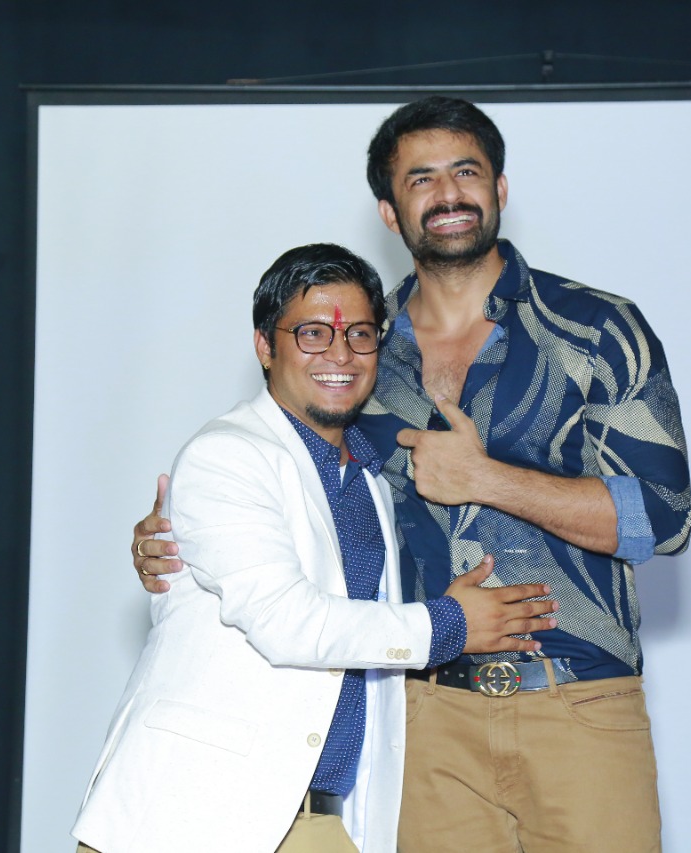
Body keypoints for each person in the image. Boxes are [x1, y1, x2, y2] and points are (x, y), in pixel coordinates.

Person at [134, 98, 691, 852]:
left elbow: (663, 517)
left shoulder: (597, 329)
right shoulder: (359, 351)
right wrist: (179, 543)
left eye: (467, 171)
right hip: (422, 721)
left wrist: (485, 478)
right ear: (390, 212)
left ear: (500, 188)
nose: (448, 193)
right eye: (421, 178)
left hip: (580, 701)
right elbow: (284, 486)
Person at [73, 243, 558, 853]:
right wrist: (450, 624)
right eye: (312, 333)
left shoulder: (373, 481)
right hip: (189, 811)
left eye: (360, 334)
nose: (340, 353)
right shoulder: (227, 455)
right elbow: (286, 621)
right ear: (264, 346)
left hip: (316, 817)